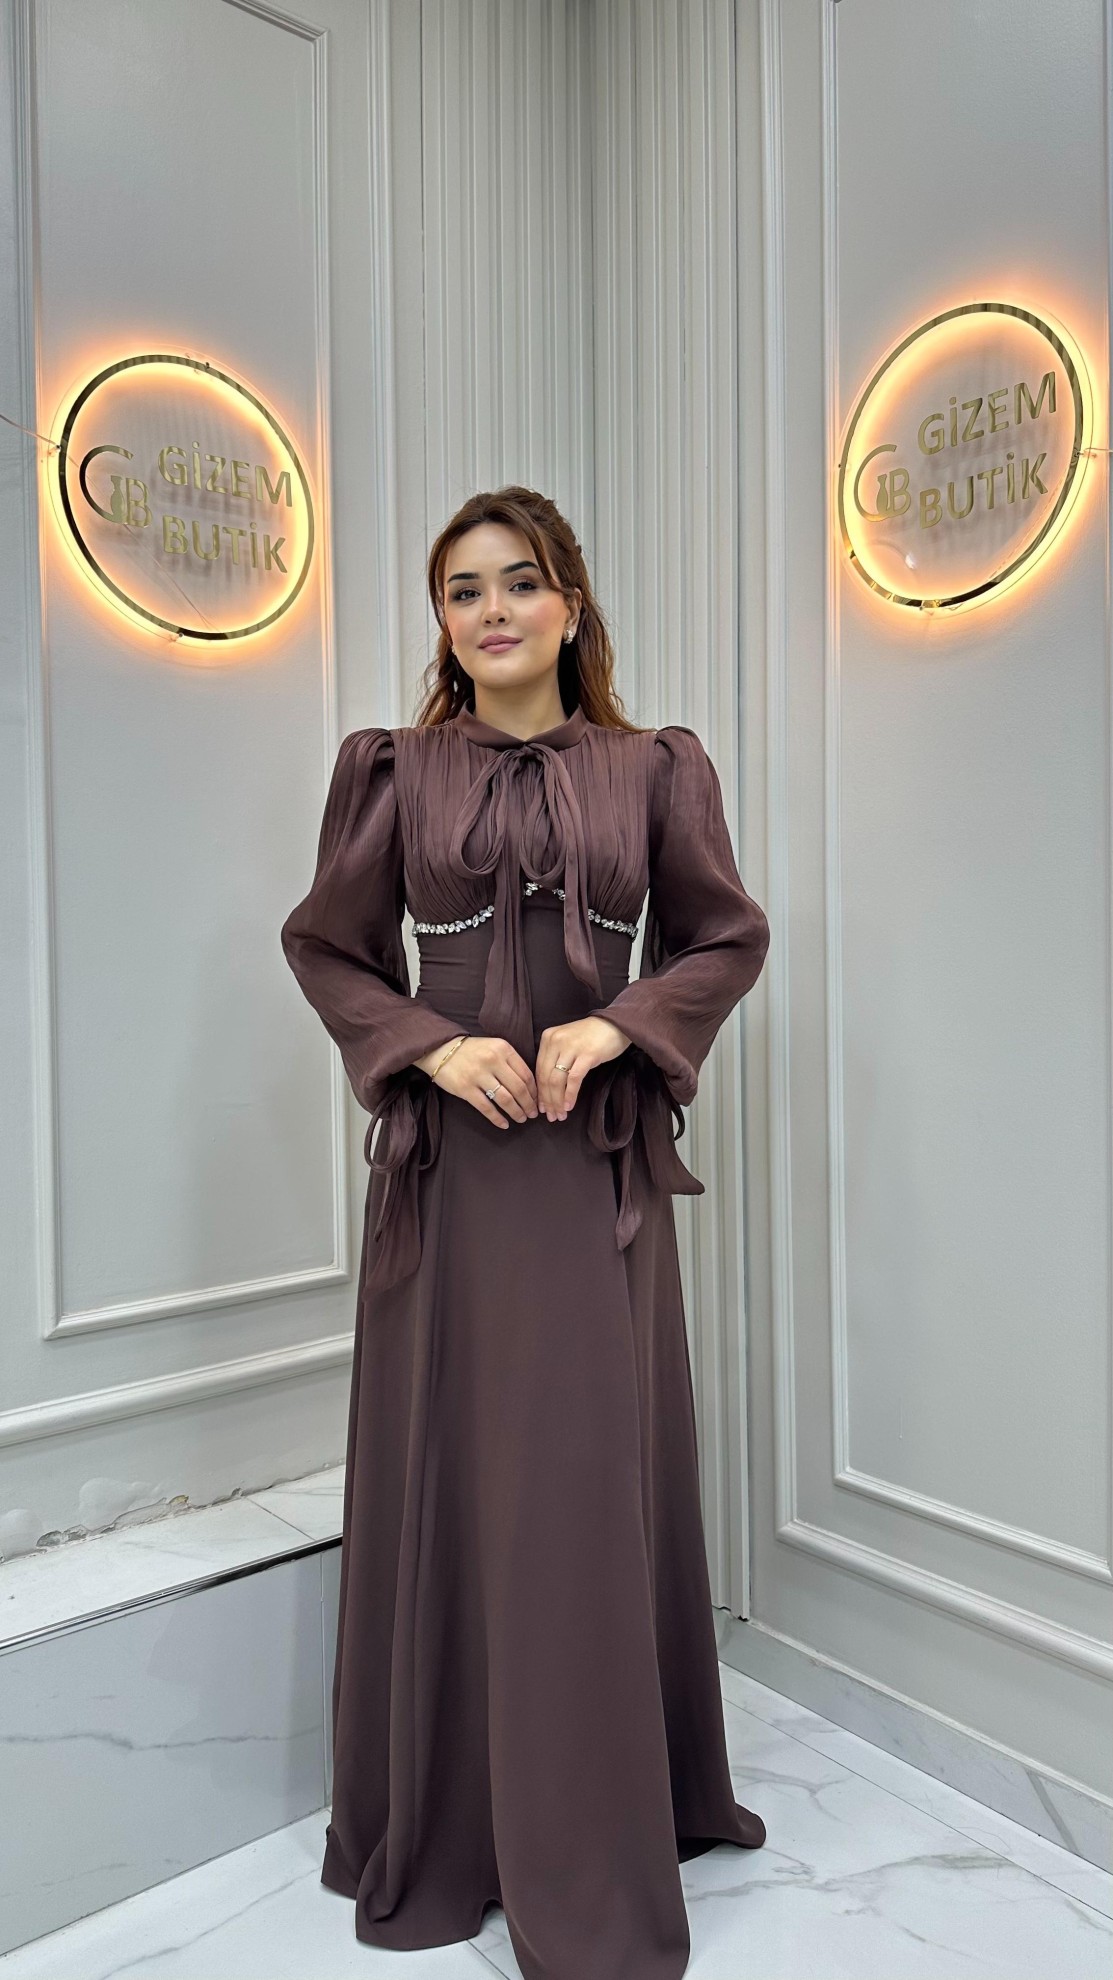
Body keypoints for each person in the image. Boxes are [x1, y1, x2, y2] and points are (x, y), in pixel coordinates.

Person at [280, 485, 771, 1980]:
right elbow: (327, 949)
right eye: (461, 591)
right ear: (444, 622)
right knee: (453, 1469)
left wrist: (618, 1026)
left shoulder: (654, 767)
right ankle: (451, 1821)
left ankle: (593, 1831)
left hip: (592, 1174)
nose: (490, 611)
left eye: (517, 583)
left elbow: (725, 936)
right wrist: (430, 1047)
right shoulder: (390, 770)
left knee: (578, 1486)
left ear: (568, 604)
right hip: (451, 1181)